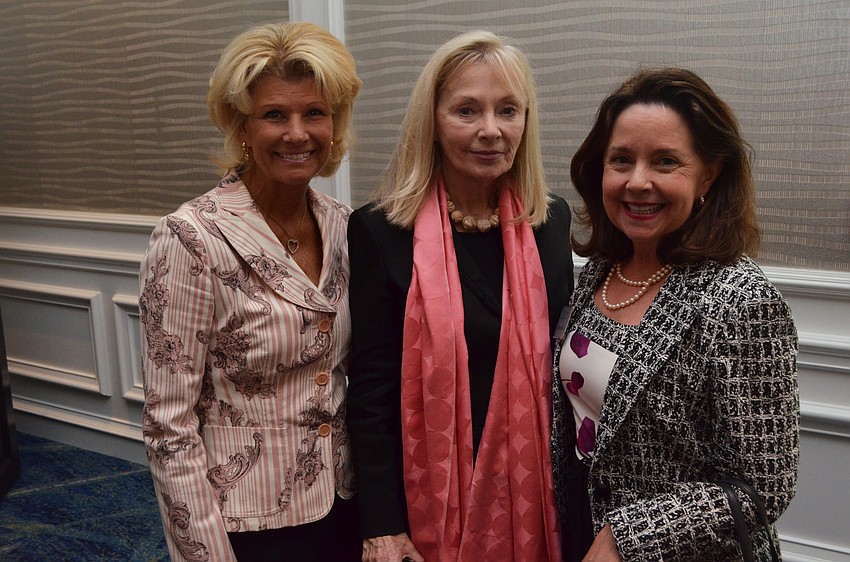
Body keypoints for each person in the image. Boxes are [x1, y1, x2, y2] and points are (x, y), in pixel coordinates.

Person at [552, 67, 799, 561]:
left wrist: (630, 536)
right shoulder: (602, 268)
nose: (637, 182)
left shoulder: (740, 301)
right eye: (621, 159)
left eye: (665, 162)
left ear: (710, 173)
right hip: (581, 530)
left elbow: (763, 487)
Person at [346, 30, 574, 562]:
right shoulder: (381, 231)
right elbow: (372, 390)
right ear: (432, 122)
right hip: (427, 494)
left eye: (508, 110)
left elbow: (561, 372)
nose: (491, 130)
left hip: (537, 497)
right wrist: (382, 525)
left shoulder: (550, 221)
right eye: (467, 111)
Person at [139, 22, 362, 562]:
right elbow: (169, 426)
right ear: (242, 126)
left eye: (314, 112)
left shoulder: (345, 226)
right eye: (273, 115)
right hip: (245, 521)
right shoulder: (190, 237)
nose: (297, 133)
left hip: (343, 499)